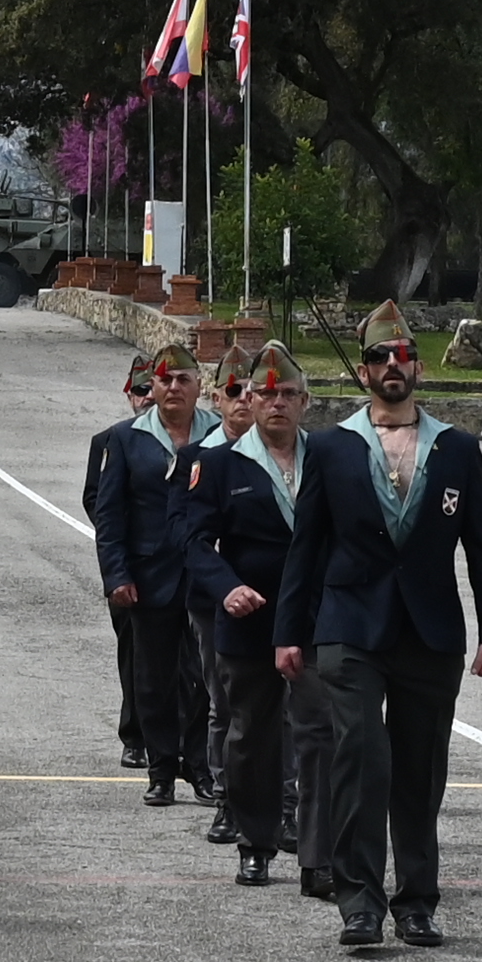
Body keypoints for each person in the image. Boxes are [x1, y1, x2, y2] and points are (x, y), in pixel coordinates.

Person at [274, 307, 482, 956]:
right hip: (350, 627)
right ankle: (358, 903)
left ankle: (416, 903)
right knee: (362, 759)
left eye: (403, 355)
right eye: (381, 358)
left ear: (418, 366)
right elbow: (306, 547)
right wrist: (288, 632)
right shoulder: (329, 446)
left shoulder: (457, 449)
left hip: (431, 632)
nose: (392, 367)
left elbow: (481, 547)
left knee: (419, 769)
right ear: (366, 370)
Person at [175, 349, 317, 890]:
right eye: (264, 393)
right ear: (249, 400)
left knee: (318, 734)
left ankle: (314, 845)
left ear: (304, 402)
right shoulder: (217, 465)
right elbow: (192, 540)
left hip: (315, 617)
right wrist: (226, 586)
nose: (276, 402)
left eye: (287, 394)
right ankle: (254, 841)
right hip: (248, 615)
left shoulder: (328, 457)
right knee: (251, 734)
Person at [82, 341, 209, 805]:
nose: (173, 387)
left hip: (204, 578)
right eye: (164, 380)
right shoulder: (126, 438)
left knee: (204, 679)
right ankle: (160, 770)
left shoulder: (219, 434)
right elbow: (109, 514)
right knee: (152, 679)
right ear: (151, 387)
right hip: (148, 577)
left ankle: (200, 765)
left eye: (183, 380)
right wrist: (116, 575)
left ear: (200, 386)